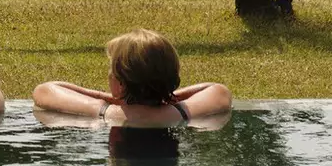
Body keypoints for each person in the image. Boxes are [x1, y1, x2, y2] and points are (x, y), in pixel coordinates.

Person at [30, 28, 231, 126]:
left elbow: (45, 89)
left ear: (118, 84)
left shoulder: (106, 112)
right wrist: (167, 97)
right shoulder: (180, 113)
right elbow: (218, 90)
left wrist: (109, 99)